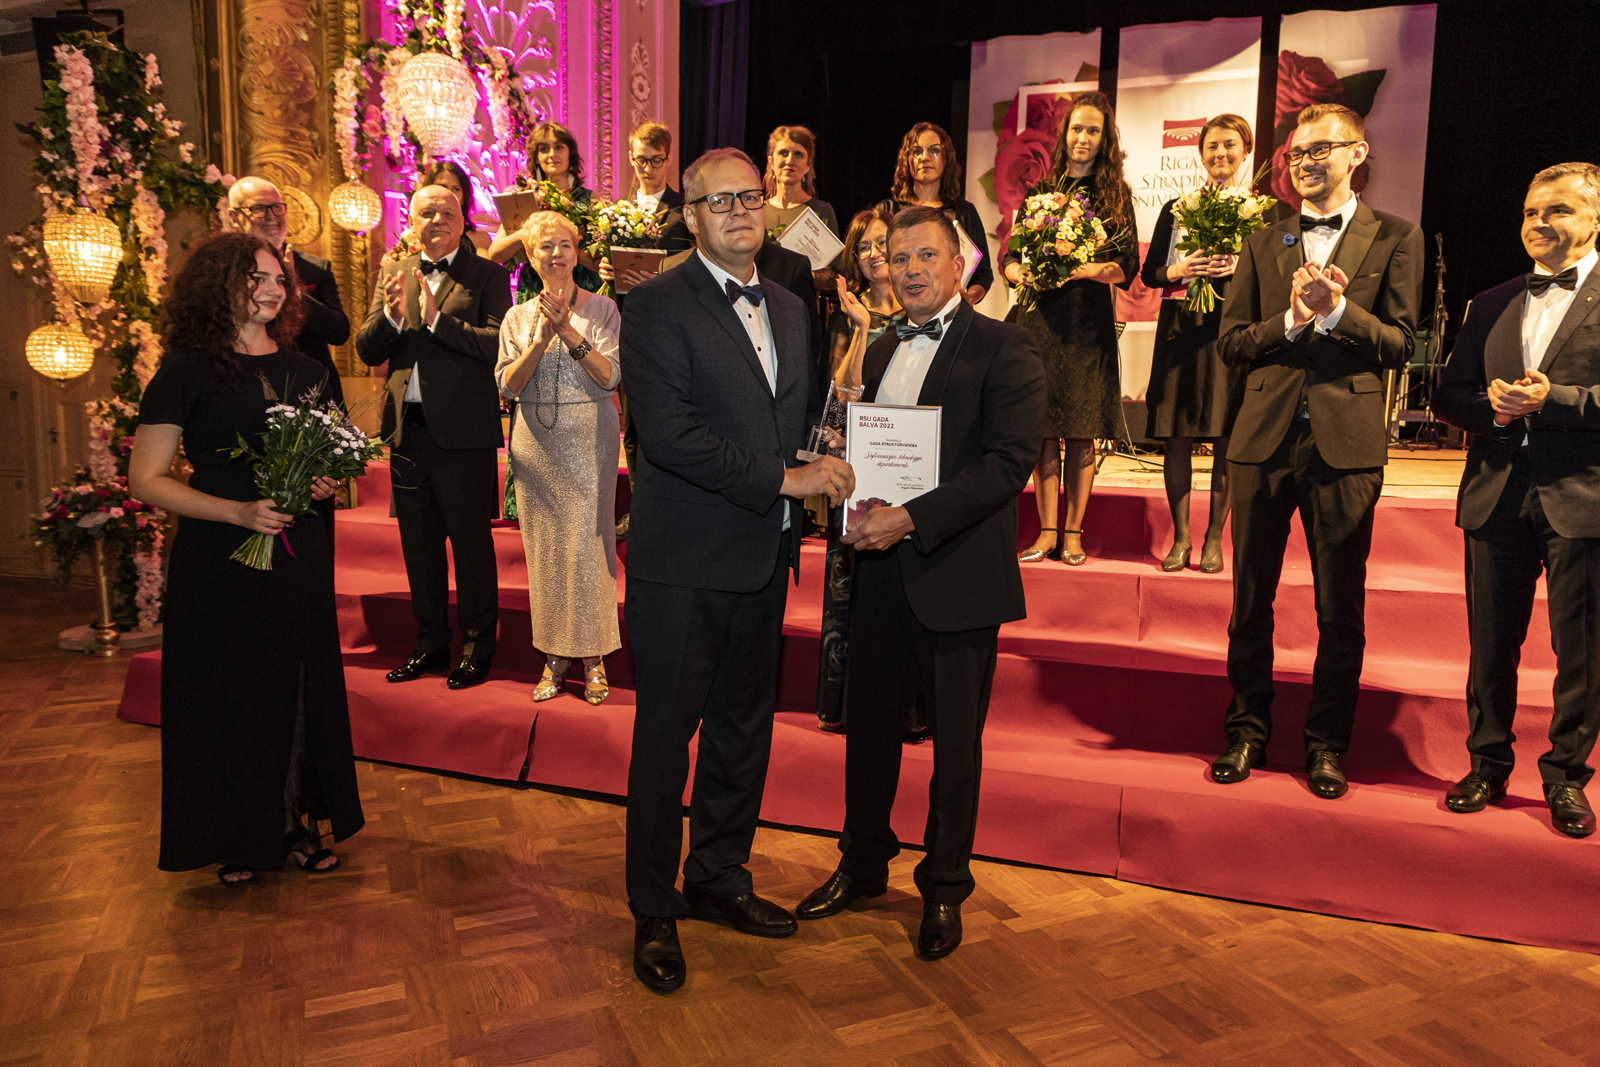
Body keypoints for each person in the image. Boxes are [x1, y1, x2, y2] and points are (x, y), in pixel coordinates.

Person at [620, 147, 852, 994]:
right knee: (664, 741)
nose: (740, 211)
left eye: (750, 197)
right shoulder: (653, 304)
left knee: (741, 733)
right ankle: (653, 905)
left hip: (762, 556)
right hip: (682, 566)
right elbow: (671, 436)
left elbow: (798, 416)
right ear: (690, 216)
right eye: (719, 201)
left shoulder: (791, 305)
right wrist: (788, 479)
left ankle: (718, 874)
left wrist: (839, 448)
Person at [795, 206, 1045, 960]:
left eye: (925, 256)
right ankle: (862, 863)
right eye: (897, 257)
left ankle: (944, 887)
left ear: (959, 263)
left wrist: (910, 517)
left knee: (955, 748)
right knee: (868, 732)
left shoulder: (1005, 346)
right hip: (878, 572)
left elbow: (1008, 464)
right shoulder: (876, 350)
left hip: (958, 575)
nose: (909, 270)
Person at [128, 231, 364, 884]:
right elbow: (146, 479)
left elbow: (335, 457)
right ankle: (240, 833)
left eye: (279, 279)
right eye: (255, 277)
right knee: (233, 690)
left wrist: (325, 480)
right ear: (219, 285)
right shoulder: (186, 369)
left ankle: (294, 823)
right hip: (220, 553)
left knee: (296, 683)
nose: (272, 289)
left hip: (297, 548)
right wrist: (236, 512)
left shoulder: (309, 371)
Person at [1209, 103, 1422, 798]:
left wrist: (1336, 313)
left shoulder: (1397, 236)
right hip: (1261, 440)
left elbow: (1401, 344)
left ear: (1357, 153)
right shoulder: (1262, 240)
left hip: (1346, 444)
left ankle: (1327, 744)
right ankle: (1246, 731)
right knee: (1250, 599)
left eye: (1319, 150)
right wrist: (1293, 319)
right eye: (1296, 154)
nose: (1304, 163)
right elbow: (1232, 343)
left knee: (1340, 607)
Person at [1431, 162, 1600, 838]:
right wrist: (1495, 411)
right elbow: (1448, 394)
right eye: (1531, 212)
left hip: (1583, 495)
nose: (1539, 223)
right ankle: (1486, 764)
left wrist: (1553, 401)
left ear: (1595, 219)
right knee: (1491, 643)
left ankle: (1565, 777)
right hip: (1495, 491)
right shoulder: (1492, 300)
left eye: (1558, 210)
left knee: (1581, 651)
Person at [354, 185, 513, 691]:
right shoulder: (393, 272)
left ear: (463, 221)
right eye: (427, 212)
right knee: (418, 547)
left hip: (463, 433)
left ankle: (477, 648)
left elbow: (497, 345)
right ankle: (429, 644)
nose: (438, 219)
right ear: (412, 221)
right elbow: (365, 349)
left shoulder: (487, 274)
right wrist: (393, 318)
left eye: (448, 211)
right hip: (407, 432)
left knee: (470, 547)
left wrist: (437, 321)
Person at [1002, 92, 1140, 565]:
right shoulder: (1040, 192)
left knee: (1081, 428)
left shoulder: (1115, 195)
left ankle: (1074, 533)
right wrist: (1019, 272)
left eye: (1093, 130)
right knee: (1044, 428)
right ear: (1064, 135)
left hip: (1086, 324)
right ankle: (1045, 532)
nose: (1083, 138)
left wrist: (1084, 269)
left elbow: (1127, 265)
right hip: (1040, 319)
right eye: (1077, 129)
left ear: (1105, 139)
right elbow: (1011, 256)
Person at [494, 211, 622, 705]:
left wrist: (567, 331)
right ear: (531, 257)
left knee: (589, 549)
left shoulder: (603, 308)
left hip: (589, 441)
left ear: (576, 252)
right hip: (534, 446)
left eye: (564, 244)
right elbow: (508, 386)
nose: (556, 253)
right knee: (545, 551)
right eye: (545, 246)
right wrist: (541, 341)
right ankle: (553, 657)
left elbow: (610, 376)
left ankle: (594, 659)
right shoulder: (516, 317)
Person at [814, 205, 920, 737]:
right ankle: (847, 708)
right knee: (852, 589)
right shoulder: (848, 314)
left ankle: (908, 712)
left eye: (883, 244)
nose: (875, 254)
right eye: (864, 248)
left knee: (907, 591)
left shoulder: (923, 310)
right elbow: (842, 401)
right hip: (860, 467)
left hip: (912, 467)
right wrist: (859, 329)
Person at [1140, 115, 1254, 573]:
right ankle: (1182, 536)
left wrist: (1240, 267)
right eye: (1211, 146)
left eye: (1230, 145)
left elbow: (1277, 275)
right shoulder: (1177, 207)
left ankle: (1214, 539)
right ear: (1201, 153)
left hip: (1231, 330)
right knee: (1177, 435)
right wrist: (1179, 269)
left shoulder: (1260, 211)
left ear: (1246, 150)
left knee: (1228, 437)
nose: (1220, 154)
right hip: (1181, 328)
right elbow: (1150, 273)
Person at [227, 175, 353, 552]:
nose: (271, 216)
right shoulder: (222, 274)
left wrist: (291, 288)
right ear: (234, 216)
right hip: (246, 397)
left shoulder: (314, 268)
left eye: (277, 207)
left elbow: (339, 330)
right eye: (259, 208)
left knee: (315, 518)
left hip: (309, 400)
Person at [487, 122, 603, 302]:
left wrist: (569, 249)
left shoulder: (590, 199)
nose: (552, 154)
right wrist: (530, 230)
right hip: (535, 290)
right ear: (536, 157)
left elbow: (602, 262)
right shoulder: (524, 198)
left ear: (570, 153)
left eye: (559, 147)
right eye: (544, 149)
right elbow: (495, 254)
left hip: (582, 289)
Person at [883, 123, 994, 305]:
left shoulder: (964, 212)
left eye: (934, 150)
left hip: (950, 311)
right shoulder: (887, 210)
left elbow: (983, 274)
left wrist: (969, 299)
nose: (925, 158)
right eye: (916, 151)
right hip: (895, 310)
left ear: (946, 158)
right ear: (907, 159)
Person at [764, 124, 842, 289]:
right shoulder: (757, 211)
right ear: (771, 161)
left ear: (808, 166)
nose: (789, 161)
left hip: (802, 302)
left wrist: (800, 274)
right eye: (783, 153)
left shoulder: (821, 211)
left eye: (798, 155)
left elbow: (836, 275)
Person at [420, 159, 490, 255]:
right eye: (443, 187)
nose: (450, 194)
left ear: (464, 197)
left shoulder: (480, 239)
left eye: (456, 189)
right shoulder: (413, 238)